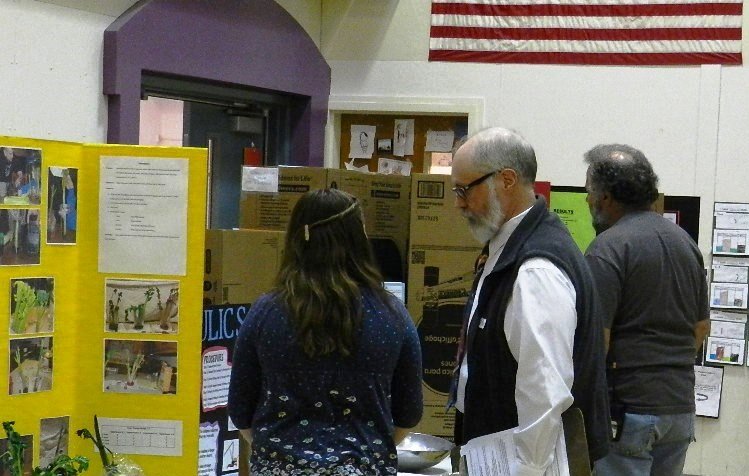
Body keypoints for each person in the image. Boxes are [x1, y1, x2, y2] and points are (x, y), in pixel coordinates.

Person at [228, 188, 423, 475]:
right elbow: (408, 415)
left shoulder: (265, 313)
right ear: (359, 239)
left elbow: (240, 412)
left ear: (295, 238)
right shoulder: (392, 316)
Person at [449, 127, 610, 473]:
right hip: (494, 450)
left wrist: (528, 468)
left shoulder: (536, 268)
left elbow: (544, 392)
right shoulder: (513, 243)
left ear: (506, 180)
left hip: (525, 462)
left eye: (465, 190)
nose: (459, 203)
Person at [583, 144, 709, 476]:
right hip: (680, 408)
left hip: (629, 409)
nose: (587, 200)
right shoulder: (686, 243)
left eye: (589, 192)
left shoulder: (607, 248)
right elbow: (701, 328)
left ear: (606, 197)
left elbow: (597, 341)